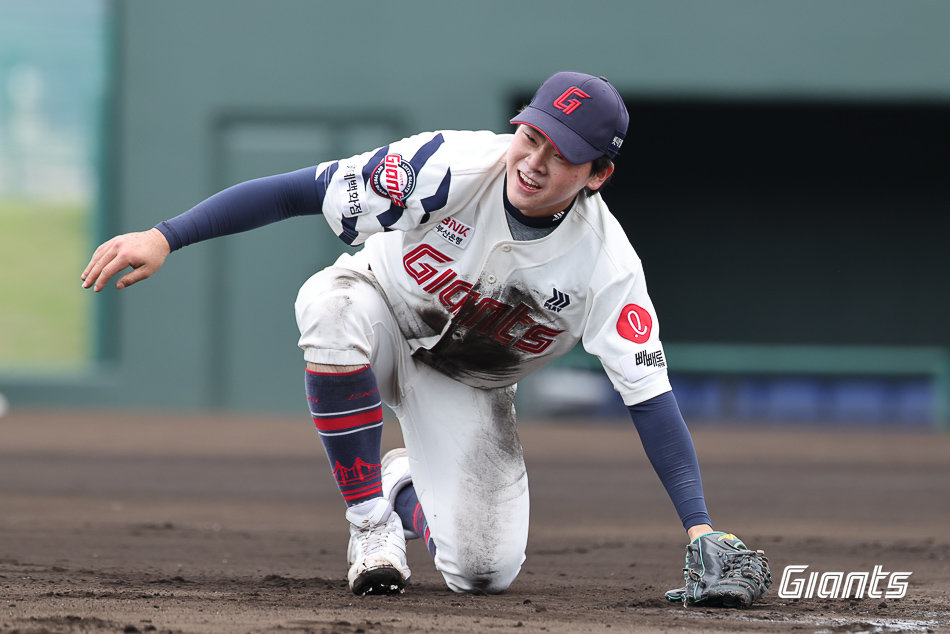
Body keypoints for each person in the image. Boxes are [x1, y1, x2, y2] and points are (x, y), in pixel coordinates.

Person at [81, 71, 770, 603]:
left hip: (467, 379)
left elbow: (648, 397)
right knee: (328, 306)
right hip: (380, 313)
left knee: (481, 573)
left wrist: (699, 525)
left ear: (597, 176)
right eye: (531, 136)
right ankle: (370, 524)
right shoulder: (447, 166)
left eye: (562, 156)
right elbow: (297, 190)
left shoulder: (606, 265)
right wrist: (164, 236)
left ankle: (403, 484)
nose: (533, 161)